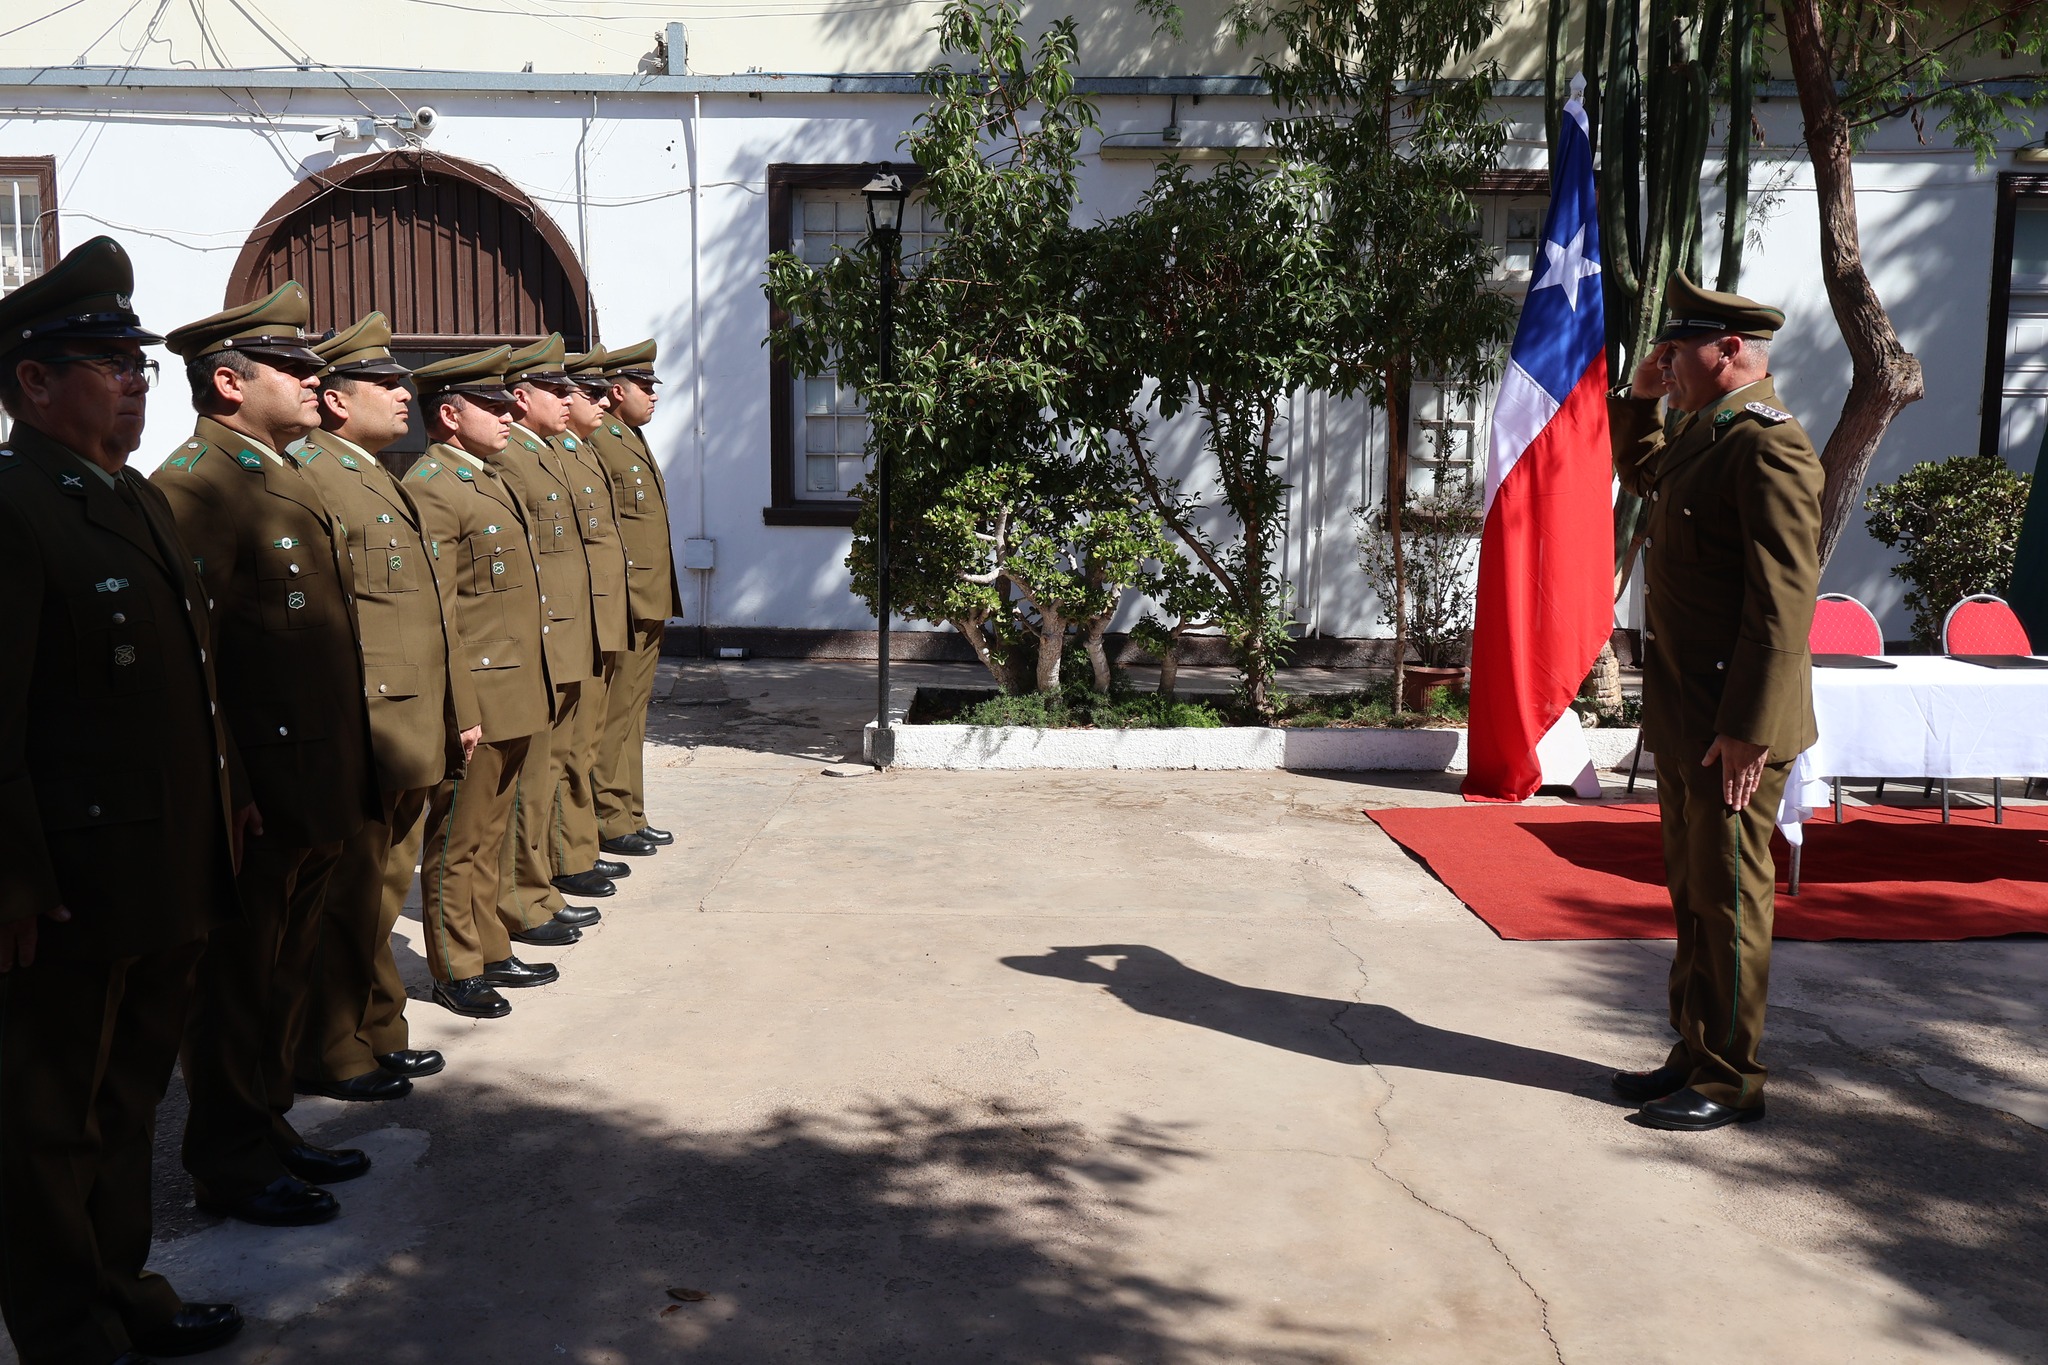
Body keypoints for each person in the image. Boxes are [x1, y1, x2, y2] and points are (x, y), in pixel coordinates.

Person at [0, 236, 249, 1364]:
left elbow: (184, 685)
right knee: (47, 1130)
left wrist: (225, 804)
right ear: (33, 381)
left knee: (126, 1106)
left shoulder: (133, 501)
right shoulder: (17, 512)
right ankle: (68, 1334)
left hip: (161, 869)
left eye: (140, 362)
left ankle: (122, 1291)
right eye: (107, 361)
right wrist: (11, 881)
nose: (137, 379)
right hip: (67, 893)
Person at [153, 284, 381, 1225]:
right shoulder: (198, 484)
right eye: (292, 366)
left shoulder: (274, 470)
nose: (312, 376)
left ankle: (266, 1122)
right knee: (238, 980)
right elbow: (192, 659)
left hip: (314, 771)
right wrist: (229, 786)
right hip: (260, 779)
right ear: (228, 381)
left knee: (282, 968)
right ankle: (229, 1157)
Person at [1608, 272, 1823, 1132]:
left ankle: (1733, 1077)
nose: (1667, 362)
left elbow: (1783, 605)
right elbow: (1649, 470)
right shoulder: (1711, 431)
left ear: (1729, 349)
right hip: (1689, 715)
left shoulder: (1770, 445)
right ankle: (1694, 1048)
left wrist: (1746, 731)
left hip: (1734, 726)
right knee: (1693, 891)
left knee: (1731, 896)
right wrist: (1640, 396)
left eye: (1677, 350)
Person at [293, 313, 486, 1100]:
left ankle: (376, 1030)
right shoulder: (314, 476)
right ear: (337, 401)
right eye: (383, 383)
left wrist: (453, 709)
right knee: (350, 902)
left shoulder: (370, 473)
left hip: (409, 722)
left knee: (376, 895)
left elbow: (429, 611)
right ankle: (336, 1047)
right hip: (369, 725)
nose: (403, 393)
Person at [403, 348, 560, 1017]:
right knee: (458, 842)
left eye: (506, 405)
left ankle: (490, 944)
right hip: (479, 694)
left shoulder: (483, 477)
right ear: (448, 413)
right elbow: (441, 610)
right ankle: (456, 964)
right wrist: (459, 706)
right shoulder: (433, 486)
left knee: (490, 835)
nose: (505, 415)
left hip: (517, 687)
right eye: (490, 406)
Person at [493, 334, 619, 948]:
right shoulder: (513, 457)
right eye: (557, 389)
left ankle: (544, 880)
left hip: (569, 631)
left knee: (558, 765)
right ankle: (525, 890)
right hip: (543, 637)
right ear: (522, 398)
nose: (571, 399)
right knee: (533, 779)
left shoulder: (543, 452)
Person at [587, 339, 681, 855]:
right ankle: (610, 816)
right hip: (624, 598)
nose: (653, 396)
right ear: (616, 390)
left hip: (648, 595)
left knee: (634, 712)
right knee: (616, 713)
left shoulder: (628, 436)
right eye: (644, 387)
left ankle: (630, 810)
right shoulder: (602, 438)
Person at [555, 345, 633, 883]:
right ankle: (570, 853)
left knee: (597, 731)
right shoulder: (552, 454)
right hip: (566, 624)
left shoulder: (579, 449)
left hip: (599, 613)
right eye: (585, 392)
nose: (601, 401)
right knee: (568, 747)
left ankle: (582, 844)